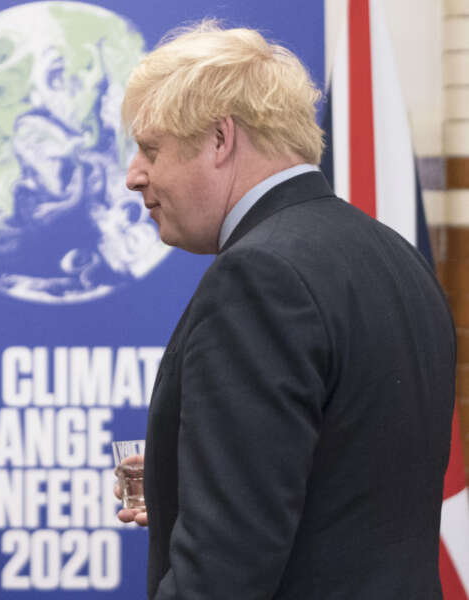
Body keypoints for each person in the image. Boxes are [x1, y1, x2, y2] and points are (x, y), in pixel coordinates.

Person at [117, 20, 455, 599]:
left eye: (150, 149)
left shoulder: (258, 277)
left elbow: (225, 573)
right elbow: (348, 473)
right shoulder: (397, 255)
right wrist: (190, 471)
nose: (134, 177)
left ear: (221, 139)